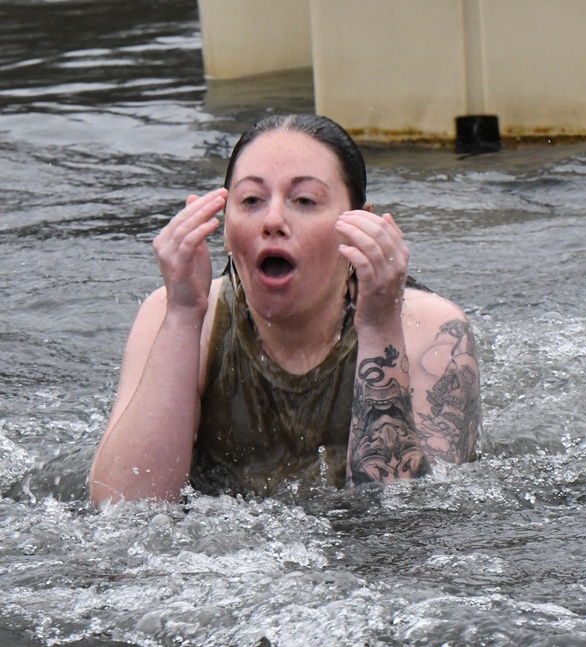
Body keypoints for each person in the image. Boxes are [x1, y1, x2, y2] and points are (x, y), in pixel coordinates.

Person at [89, 113, 481, 504]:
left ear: (360, 225)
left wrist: (379, 327)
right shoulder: (181, 316)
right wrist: (182, 314)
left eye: (305, 200)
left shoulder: (431, 332)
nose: (273, 220)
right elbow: (122, 509)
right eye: (251, 201)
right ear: (224, 229)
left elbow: (407, 523)